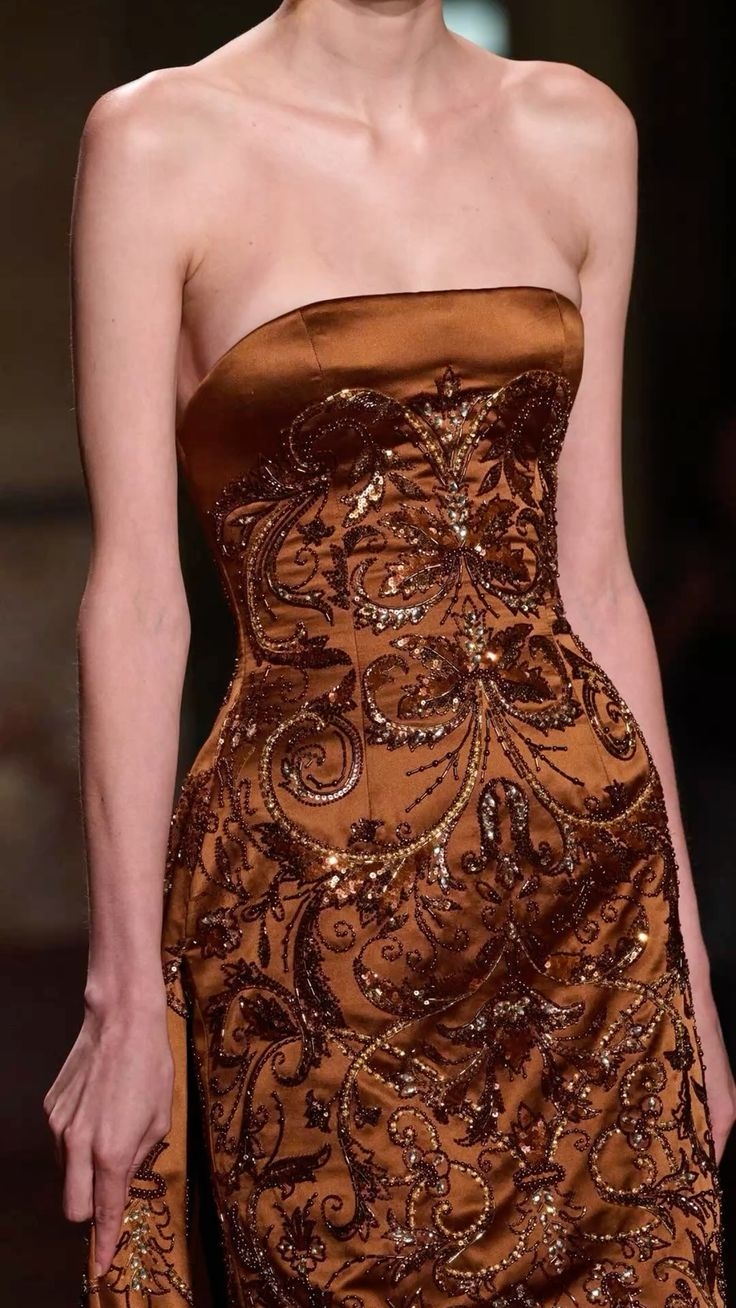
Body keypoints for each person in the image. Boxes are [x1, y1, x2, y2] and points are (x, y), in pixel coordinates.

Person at [42, 2, 734, 1304]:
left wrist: (685, 961)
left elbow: (596, 577)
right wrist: (124, 997)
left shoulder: (578, 129)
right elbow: (136, 596)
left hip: (591, 907)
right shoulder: (158, 141)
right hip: (315, 918)